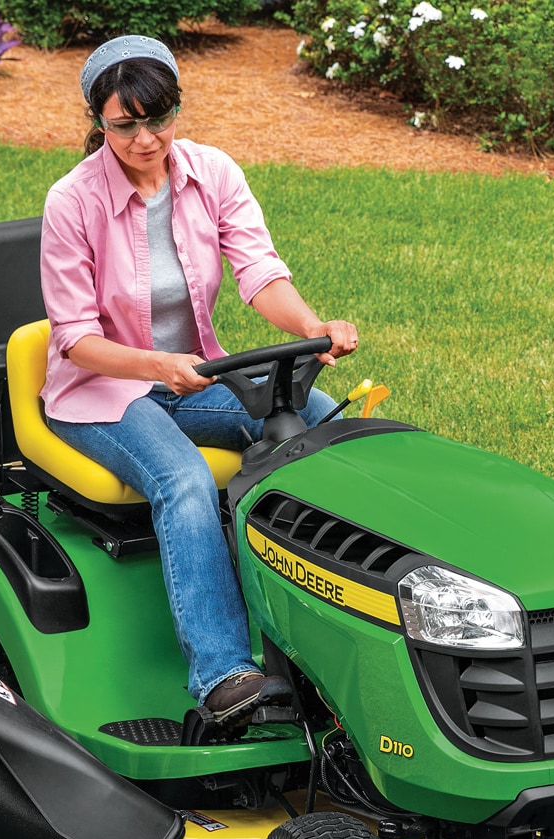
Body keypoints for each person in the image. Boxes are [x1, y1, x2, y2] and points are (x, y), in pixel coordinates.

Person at [39, 36, 358, 723]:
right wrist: (157, 366)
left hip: (198, 374)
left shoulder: (212, 173)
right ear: (99, 121)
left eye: (159, 118)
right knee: (181, 479)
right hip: (100, 394)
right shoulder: (72, 201)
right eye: (125, 125)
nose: (147, 138)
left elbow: (260, 274)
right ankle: (221, 674)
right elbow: (73, 340)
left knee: (328, 431)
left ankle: (335, 635)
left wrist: (312, 326)